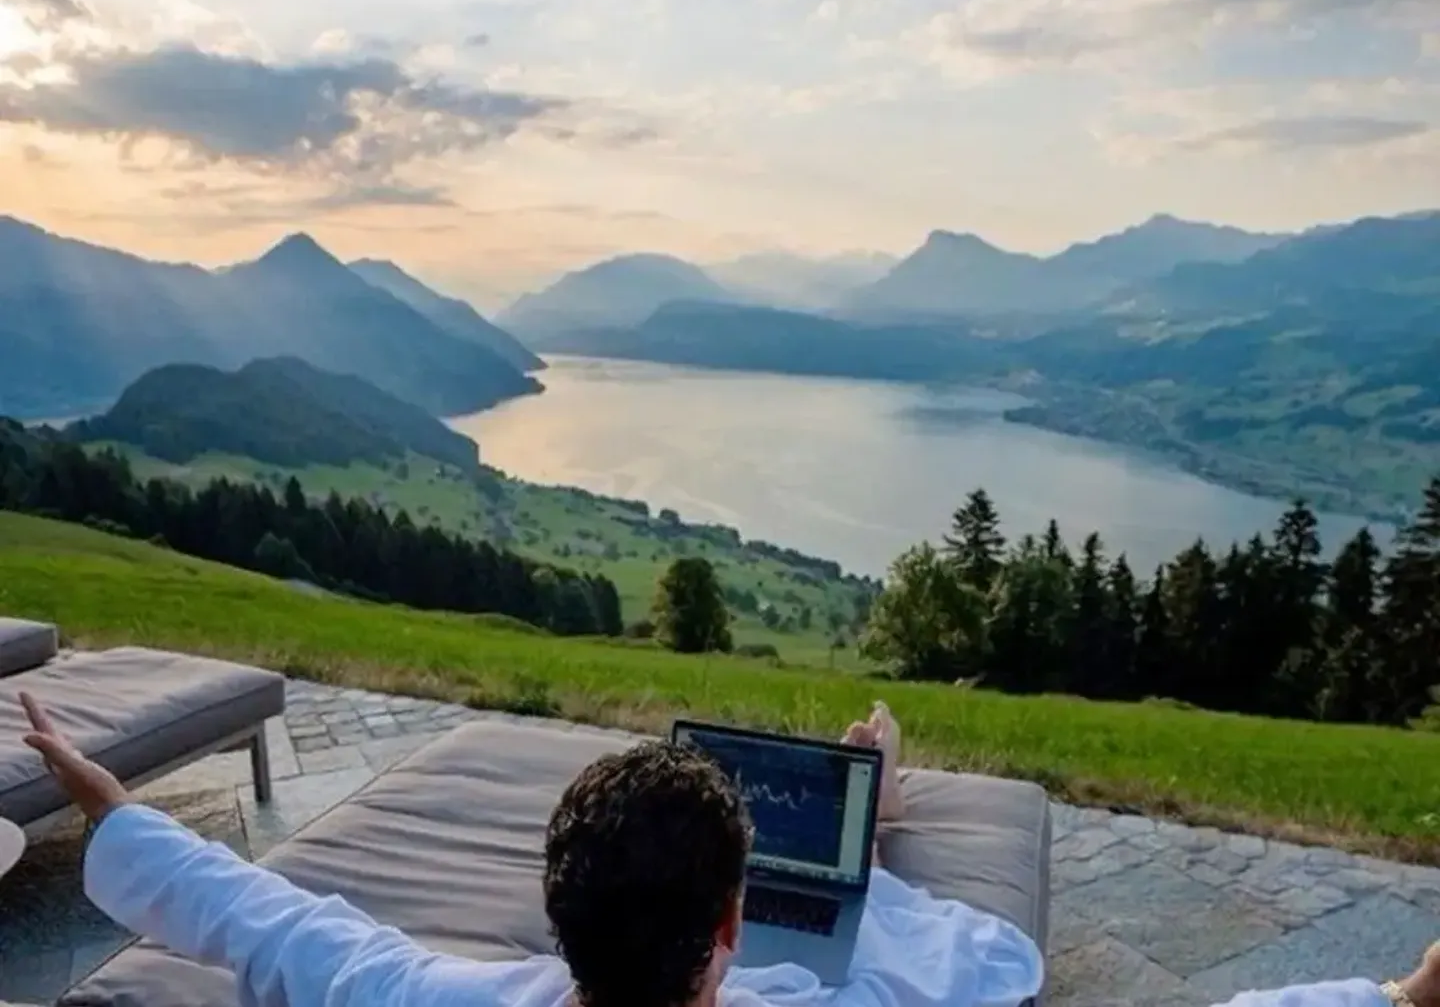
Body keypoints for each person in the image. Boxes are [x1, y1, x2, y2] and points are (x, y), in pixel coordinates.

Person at [16, 692, 1439, 1007]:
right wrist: (1395, 994)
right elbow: (1001, 969)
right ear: (730, 927)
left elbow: (271, 925)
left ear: (552, 909)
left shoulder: (435, 997)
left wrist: (115, 804)